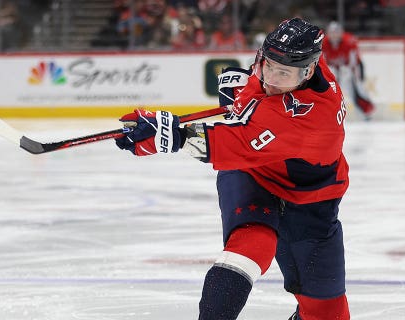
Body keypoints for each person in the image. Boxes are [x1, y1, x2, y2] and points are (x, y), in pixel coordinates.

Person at [114, 17, 351, 320]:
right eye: (268, 67)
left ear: (307, 72)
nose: (272, 80)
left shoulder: (313, 117)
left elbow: (232, 143)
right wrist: (245, 87)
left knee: (327, 313)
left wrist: (168, 135)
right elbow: (256, 87)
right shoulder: (290, 65)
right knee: (253, 244)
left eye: (284, 74)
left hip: (311, 200)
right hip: (254, 174)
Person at [322, 21, 374, 119]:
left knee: (358, 88)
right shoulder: (324, 43)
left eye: (336, 32)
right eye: (332, 32)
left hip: (353, 67)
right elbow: (323, 62)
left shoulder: (348, 41)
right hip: (336, 68)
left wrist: (353, 77)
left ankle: (367, 110)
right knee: (332, 90)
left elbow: (354, 62)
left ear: (341, 32)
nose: (334, 35)